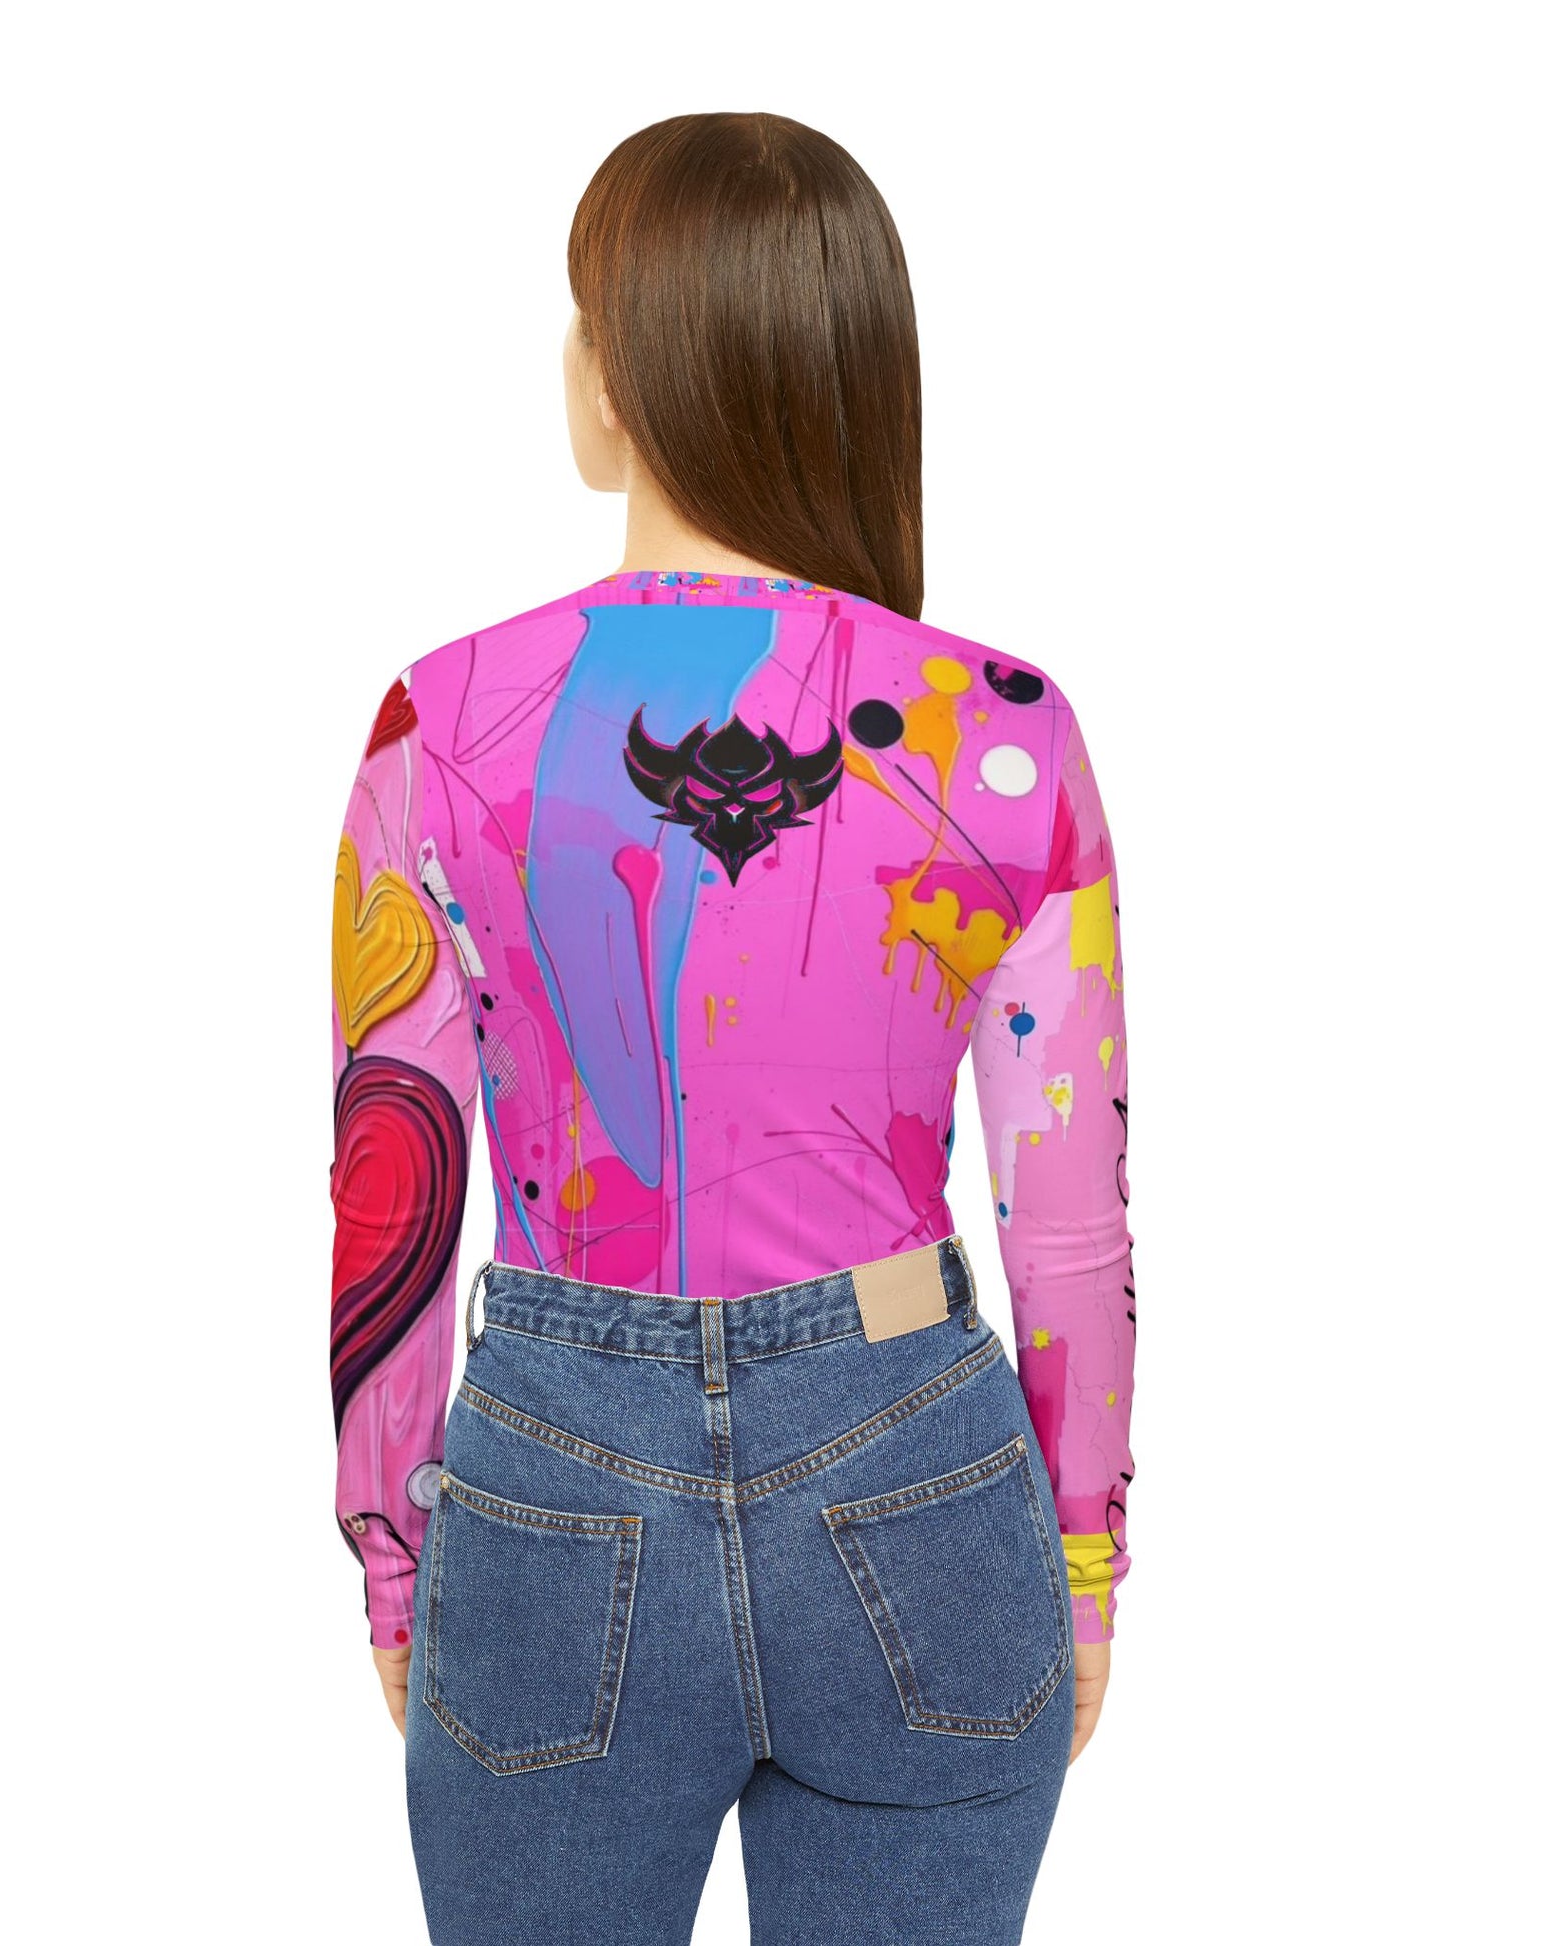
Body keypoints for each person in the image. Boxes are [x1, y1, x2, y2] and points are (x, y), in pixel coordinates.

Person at [327, 111, 1134, 1945]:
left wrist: (393, 1555)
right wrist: (1082, 1556)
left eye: (580, 320)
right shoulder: (1005, 733)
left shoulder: (437, 728)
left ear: (620, 372)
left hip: (553, 1480)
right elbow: (1066, 1213)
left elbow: (391, 1185)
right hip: (917, 1473)